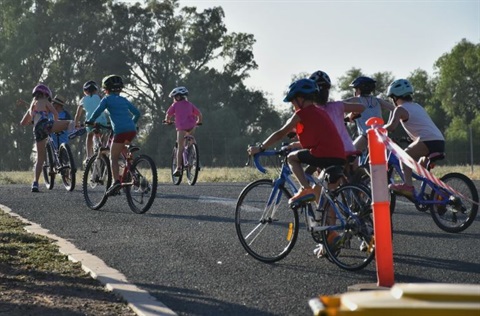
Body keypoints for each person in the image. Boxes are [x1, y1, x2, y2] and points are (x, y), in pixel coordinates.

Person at [247, 78, 346, 206]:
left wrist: (260, 148)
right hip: (339, 156)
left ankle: (305, 188)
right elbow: (320, 139)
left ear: (300, 99)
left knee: (291, 158)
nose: (293, 105)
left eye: (293, 101)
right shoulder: (320, 113)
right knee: (327, 202)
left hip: (324, 155)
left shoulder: (302, 113)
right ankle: (328, 223)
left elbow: (280, 133)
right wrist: (294, 144)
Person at [383, 79, 445, 198]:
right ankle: (439, 195)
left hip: (427, 140)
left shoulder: (400, 109)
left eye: (392, 98)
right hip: (438, 140)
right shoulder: (417, 106)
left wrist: (379, 127)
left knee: (403, 156)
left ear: (395, 97)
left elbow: (391, 127)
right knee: (421, 169)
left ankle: (408, 186)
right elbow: (421, 125)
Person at [86, 75, 141, 196]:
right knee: (123, 148)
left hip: (120, 131)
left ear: (106, 89)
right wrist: (131, 123)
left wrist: (90, 120)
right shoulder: (124, 100)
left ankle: (116, 182)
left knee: (113, 157)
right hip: (131, 130)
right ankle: (132, 171)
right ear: (120, 89)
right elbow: (137, 113)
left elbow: (98, 110)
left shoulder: (106, 99)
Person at [20, 84, 79, 192]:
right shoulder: (45, 101)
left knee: (40, 158)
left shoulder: (32, 105)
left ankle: (35, 183)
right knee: (69, 123)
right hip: (47, 125)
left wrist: (32, 122)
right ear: (45, 94)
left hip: (37, 130)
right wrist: (55, 124)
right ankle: (73, 132)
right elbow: (55, 113)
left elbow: (23, 123)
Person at [309, 70, 365, 156]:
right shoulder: (338, 106)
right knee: (355, 168)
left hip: (329, 153)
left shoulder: (312, 112)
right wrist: (352, 115)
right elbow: (361, 107)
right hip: (349, 149)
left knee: (300, 161)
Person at [344, 76, 395, 152]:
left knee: (350, 152)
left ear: (358, 90)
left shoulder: (357, 99)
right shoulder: (378, 101)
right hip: (381, 134)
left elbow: (339, 104)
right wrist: (389, 124)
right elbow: (394, 109)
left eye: (355, 89)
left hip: (366, 135)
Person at [164, 86, 203, 176]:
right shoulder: (190, 104)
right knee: (191, 139)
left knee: (180, 147)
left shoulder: (175, 105)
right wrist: (199, 122)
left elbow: (168, 115)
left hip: (181, 127)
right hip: (192, 126)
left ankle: (178, 168)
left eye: (174, 97)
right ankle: (195, 157)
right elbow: (199, 114)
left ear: (177, 97)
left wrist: (168, 121)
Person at [74, 80, 109, 163]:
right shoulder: (100, 97)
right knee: (104, 134)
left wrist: (76, 124)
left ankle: (89, 156)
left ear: (85, 91)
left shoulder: (83, 99)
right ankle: (104, 148)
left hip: (91, 122)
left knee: (89, 136)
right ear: (96, 90)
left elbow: (77, 115)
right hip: (102, 121)